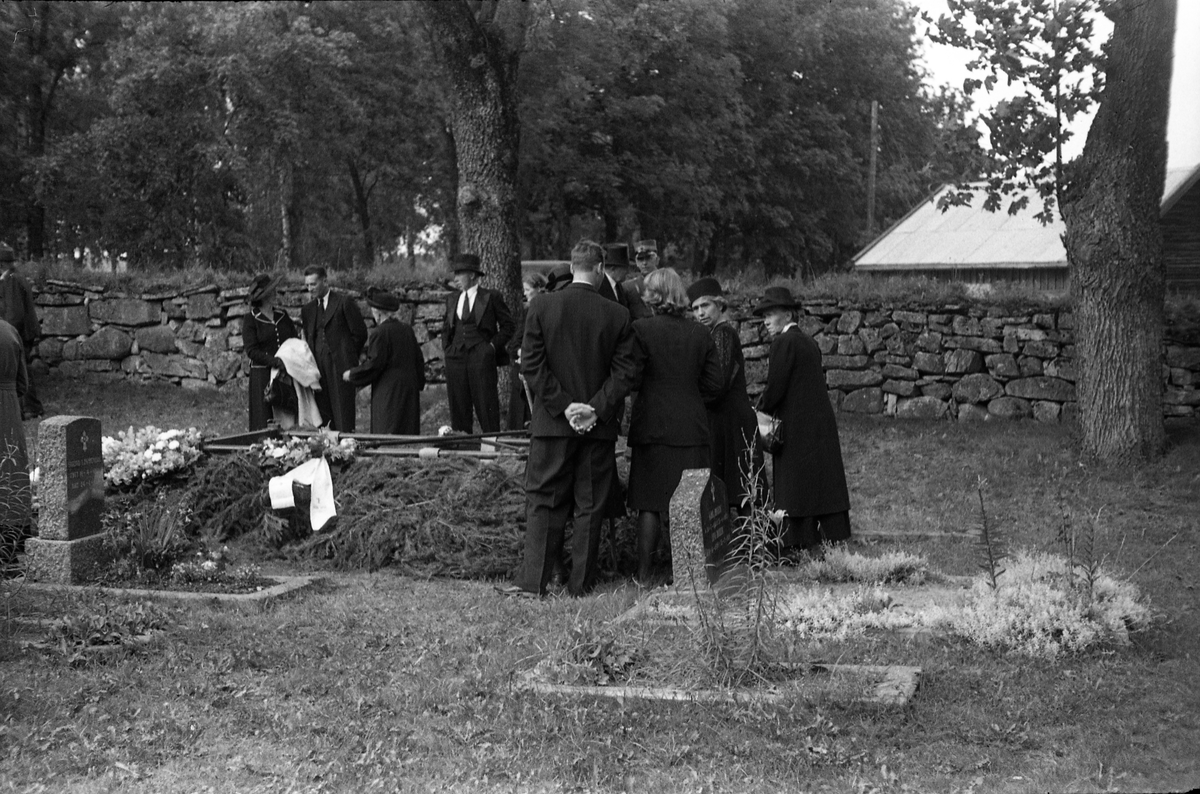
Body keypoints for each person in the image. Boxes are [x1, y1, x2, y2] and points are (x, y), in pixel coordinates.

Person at [497, 239, 637, 598]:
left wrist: (563, 407)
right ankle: (580, 586)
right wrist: (592, 408)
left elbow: (531, 366)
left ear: (572, 266)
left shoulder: (542, 306)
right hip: (597, 426)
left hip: (551, 426)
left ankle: (534, 583)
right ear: (601, 268)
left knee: (544, 500)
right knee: (590, 506)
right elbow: (625, 374)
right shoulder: (617, 314)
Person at [627, 268, 723, 585]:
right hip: (690, 429)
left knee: (650, 504)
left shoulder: (640, 330)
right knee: (691, 504)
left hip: (651, 428)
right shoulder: (700, 334)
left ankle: (643, 575)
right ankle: (691, 574)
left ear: (651, 297)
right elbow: (714, 384)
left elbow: (633, 378)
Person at [754, 285, 851, 557]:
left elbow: (776, 387)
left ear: (786, 314)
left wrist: (759, 409)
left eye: (769, 314)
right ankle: (820, 541)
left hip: (796, 426)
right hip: (817, 425)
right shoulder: (808, 341)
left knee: (796, 485)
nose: (765, 321)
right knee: (816, 482)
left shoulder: (783, 343)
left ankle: (797, 543)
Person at [687, 277, 762, 518]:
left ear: (719, 305)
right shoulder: (713, 334)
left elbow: (718, 383)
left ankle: (751, 549)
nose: (700, 313)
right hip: (724, 420)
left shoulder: (723, 334)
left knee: (742, 491)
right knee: (735, 489)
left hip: (732, 421)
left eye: (705, 306)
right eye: (695, 308)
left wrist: (692, 401)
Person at [442, 253, 515, 434]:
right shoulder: (452, 299)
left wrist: (490, 347)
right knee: (458, 406)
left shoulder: (491, 297)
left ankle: (490, 450)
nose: (456, 279)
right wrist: (448, 349)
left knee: (487, 405)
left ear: (472, 275)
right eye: (455, 274)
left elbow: (508, 326)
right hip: (456, 358)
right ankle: (462, 450)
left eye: (460, 274)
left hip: (481, 359)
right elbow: (447, 328)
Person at [343, 288, 425, 435]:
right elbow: (418, 359)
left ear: (378, 312)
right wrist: (419, 383)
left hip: (388, 390)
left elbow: (374, 364)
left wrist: (352, 374)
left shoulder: (380, 333)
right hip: (408, 388)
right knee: (407, 431)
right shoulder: (407, 329)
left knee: (387, 429)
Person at [300, 266, 368, 432]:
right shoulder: (307, 310)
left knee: (343, 412)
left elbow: (360, 333)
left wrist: (347, 356)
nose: (310, 289)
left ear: (325, 281)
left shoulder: (343, 302)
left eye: (313, 284)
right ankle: (328, 450)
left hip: (340, 368)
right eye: (307, 285)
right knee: (323, 414)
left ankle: (346, 448)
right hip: (318, 369)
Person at [242, 273, 298, 431]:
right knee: (264, 417)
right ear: (263, 296)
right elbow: (252, 351)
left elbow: (294, 340)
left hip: (285, 373)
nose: (275, 294)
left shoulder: (282, 315)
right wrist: (275, 362)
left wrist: (289, 361)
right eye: (271, 291)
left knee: (287, 413)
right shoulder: (251, 319)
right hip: (263, 375)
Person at [0, 243, 42, 419]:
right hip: (22, 333)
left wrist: (8, 336)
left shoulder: (11, 281)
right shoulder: (14, 277)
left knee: (21, 370)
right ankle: (29, 408)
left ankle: (30, 408)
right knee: (23, 369)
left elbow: (15, 313)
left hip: (19, 333)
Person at [0, 318, 30, 559]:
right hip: (9, 409)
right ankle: (16, 532)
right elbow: (23, 384)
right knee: (12, 466)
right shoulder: (10, 331)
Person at [507, 271, 549, 430]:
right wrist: (520, 352)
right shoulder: (527, 311)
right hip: (524, 363)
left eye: (527, 289)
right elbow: (515, 343)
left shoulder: (548, 308)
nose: (525, 294)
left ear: (539, 288)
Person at [601, 243, 650, 320]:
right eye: (625, 268)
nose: (627, 272)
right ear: (613, 269)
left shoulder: (619, 286)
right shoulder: (600, 287)